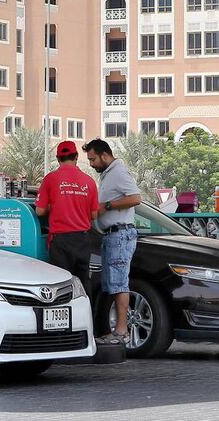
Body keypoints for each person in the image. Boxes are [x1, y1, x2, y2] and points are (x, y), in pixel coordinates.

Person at [82, 138, 142, 345]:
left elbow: (135, 198)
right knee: (111, 283)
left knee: (118, 283)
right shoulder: (108, 174)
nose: (91, 164)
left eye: (92, 159)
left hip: (120, 234)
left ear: (104, 155)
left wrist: (107, 206)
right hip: (111, 235)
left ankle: (122, 330)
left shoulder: (119, 172)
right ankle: (113, 328)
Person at [34, 141, 98, 294]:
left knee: (61, 284)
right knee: (83, 282)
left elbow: (39, 211)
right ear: (76, 156)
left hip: (61, 241)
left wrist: (54, 205)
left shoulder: (50, 179)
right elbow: (94, 215)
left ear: (58, 159)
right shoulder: (89, 181)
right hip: (82, 240)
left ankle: (65, 315)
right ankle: (85, 315)